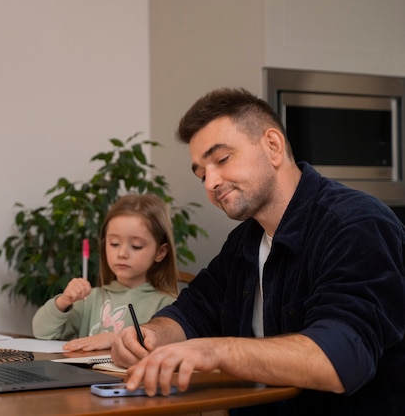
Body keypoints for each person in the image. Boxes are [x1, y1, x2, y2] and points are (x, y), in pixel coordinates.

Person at [111, 88, 405, 415]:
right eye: (201, 174)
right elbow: (195, 311)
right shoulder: (244, 242)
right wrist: (151, 335)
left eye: (221, 159)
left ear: (273, 146)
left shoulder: (357, 224)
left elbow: (339, 358)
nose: (211, 182)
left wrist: (216, 352)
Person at [32, 193, 179, 352]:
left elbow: (168, 351)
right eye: (114, 243)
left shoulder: (168, 305)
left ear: (160, 252)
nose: (122, 253)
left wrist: (115, 338)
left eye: (136, 246)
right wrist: (63, 301)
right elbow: (42, 332)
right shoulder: (90, 299)